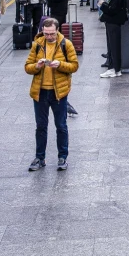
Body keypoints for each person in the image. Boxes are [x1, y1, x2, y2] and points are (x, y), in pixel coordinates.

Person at [24, 17, 79, 172]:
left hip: (58, 93)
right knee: (41, 126)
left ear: (57, 30)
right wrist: (37, 66)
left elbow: (74, 66)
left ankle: (62, 157)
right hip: (40, 92)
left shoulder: (66, 44)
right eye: (46, 33)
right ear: (42, 30)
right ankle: (39, 158)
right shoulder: (37, 45)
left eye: (52, 34)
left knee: (61, 126)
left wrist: (60, 65)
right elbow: (27, 67)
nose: (49, 36)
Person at [99, 0, 127, 78]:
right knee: (114, 46)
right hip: (115, 23)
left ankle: (113, 69)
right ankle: (117, 69)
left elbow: (112, 9)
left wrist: (102, 4)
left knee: (113, 47)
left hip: (112, 22)